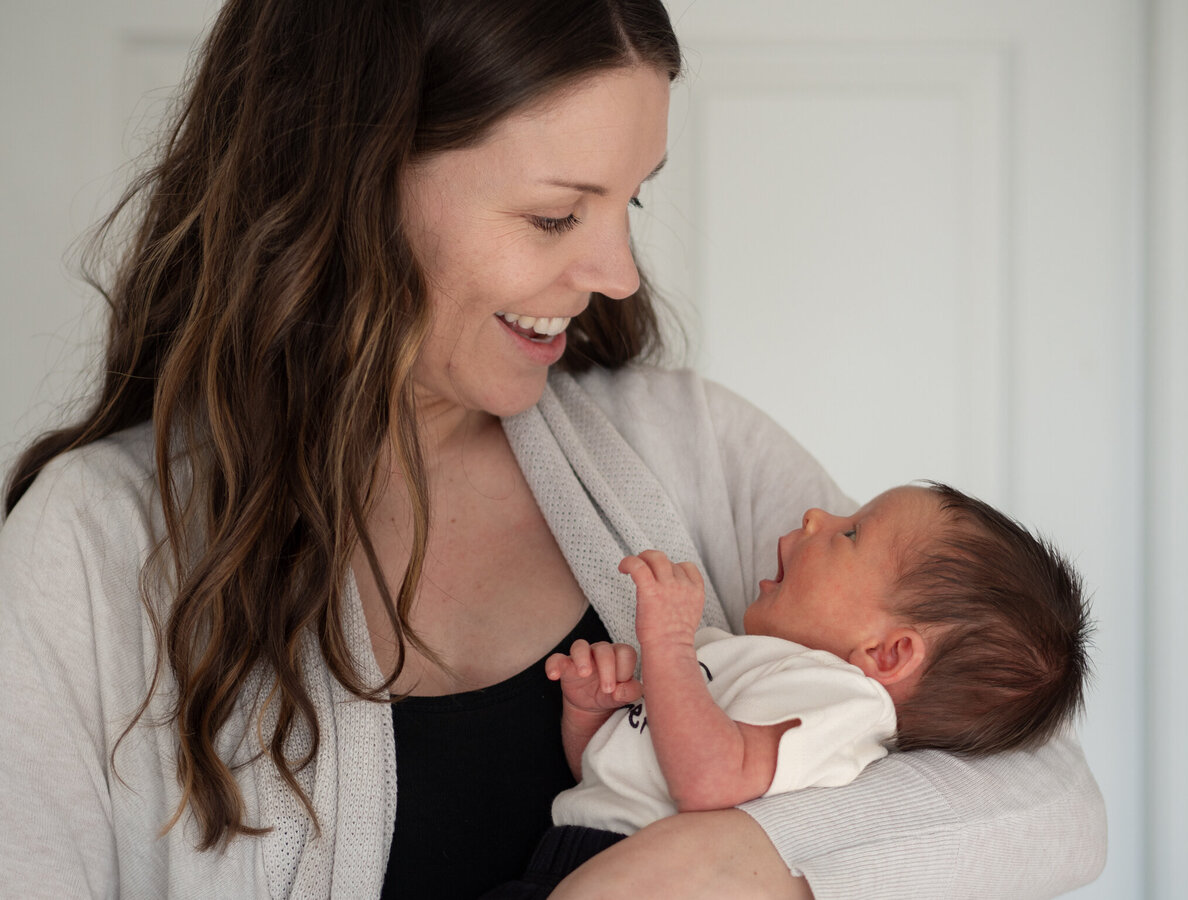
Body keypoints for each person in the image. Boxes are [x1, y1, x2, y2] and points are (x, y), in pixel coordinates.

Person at [0, 1, 1105, 898]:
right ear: (346, 184)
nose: (620, 273)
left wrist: (727, 860)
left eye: (630, 202)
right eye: (554, 215)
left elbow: (1049, 800)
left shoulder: (689, 447)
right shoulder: (96, 544)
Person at [486, 482, 1093, 898]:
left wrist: (668, 641)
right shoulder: (755, 660)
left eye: (851, 534)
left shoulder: (843, 704)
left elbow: (707, 784)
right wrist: (592, 712)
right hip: (571, 854)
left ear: (889, 654)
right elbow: (621, 776)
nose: (815, 518)